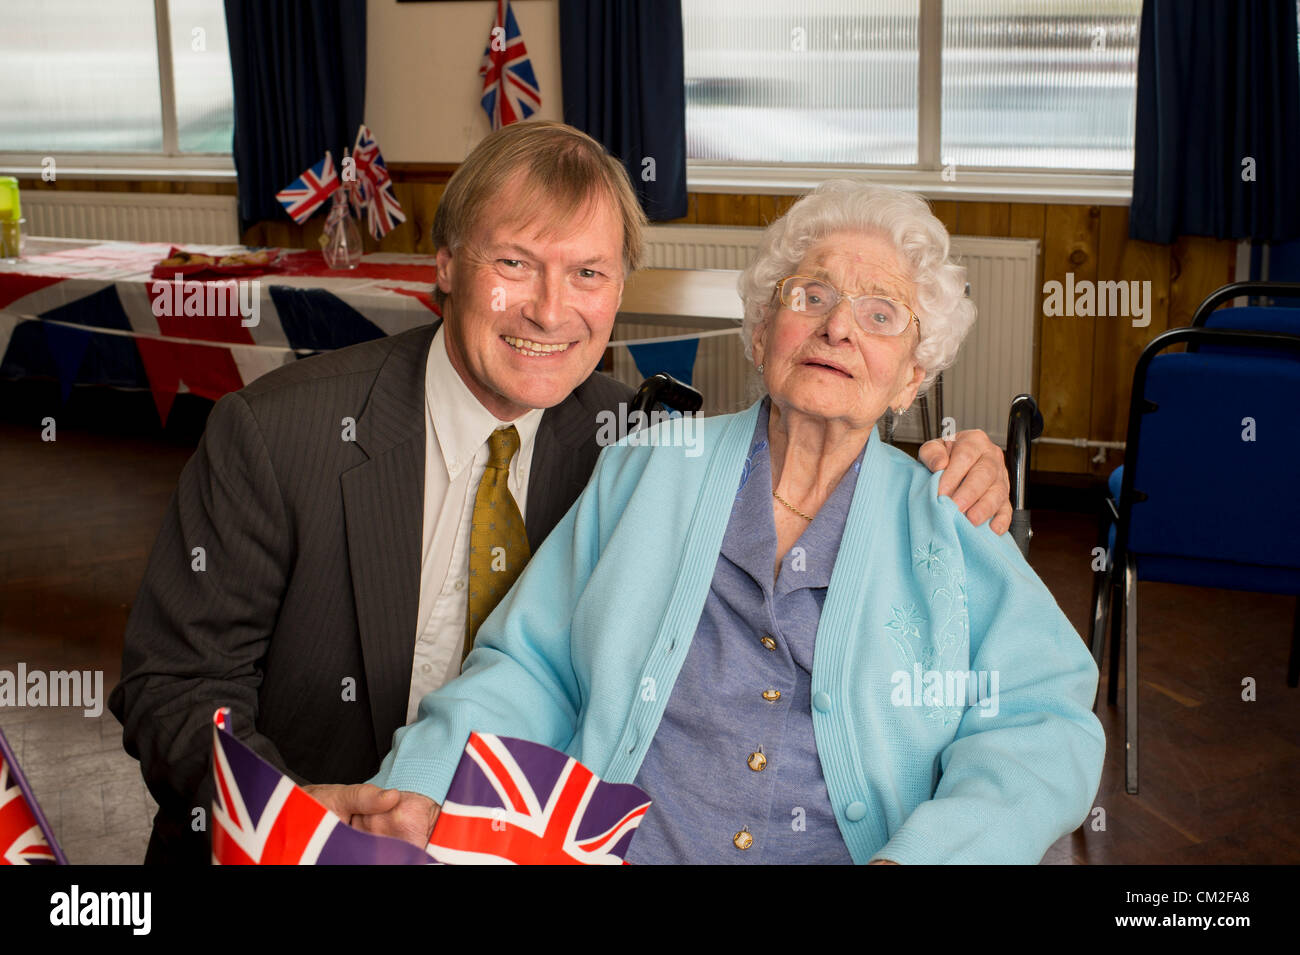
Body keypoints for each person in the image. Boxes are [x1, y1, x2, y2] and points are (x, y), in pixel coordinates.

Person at [110, 123, 1014, 864]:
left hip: (514, 832)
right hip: (311, 824)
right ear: (448, 264)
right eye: (515, 263)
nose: (550, 310)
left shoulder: (637, 446)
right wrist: (295, 818)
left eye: (588, 273)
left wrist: (958, 466)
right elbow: (176, 686)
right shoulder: (278, 433)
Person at [360, 179, 1106, 864]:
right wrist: (423, 783)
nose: (837, 327)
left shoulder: (950, 516)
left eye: (881, 313)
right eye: (810, 296)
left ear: (913, 377)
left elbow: (1043, 725)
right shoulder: (649, 467)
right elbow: (531, 665)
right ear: (760, 333)